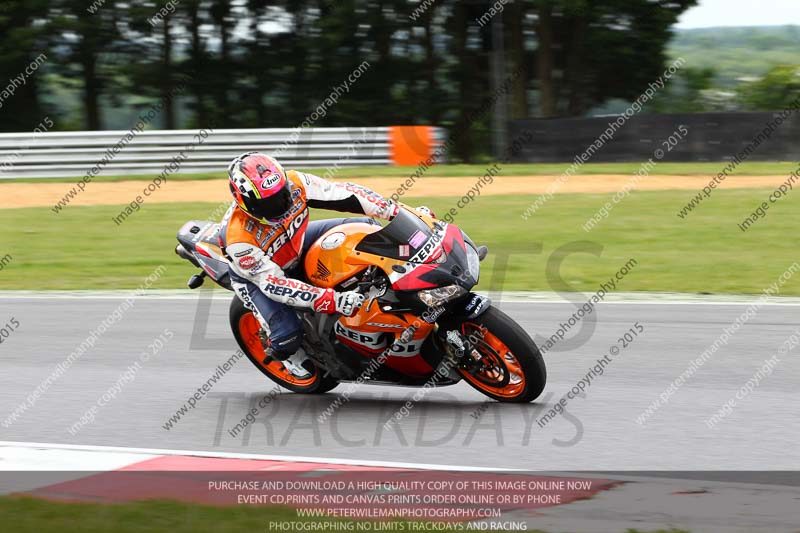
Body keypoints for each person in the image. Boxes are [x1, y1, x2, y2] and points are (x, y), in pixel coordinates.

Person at [221, 152, 402, 377]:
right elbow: (276, 285)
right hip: (259, 279)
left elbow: (344, 193)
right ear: (243, 200)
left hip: (297, 242)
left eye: (282, 195)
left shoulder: (296, 181)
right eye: (268, 203)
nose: (280, 205)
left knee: (365, 226)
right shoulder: (238, 239)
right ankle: (281, 350)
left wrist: (395, 211)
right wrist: (333, 300)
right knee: (287, 337)